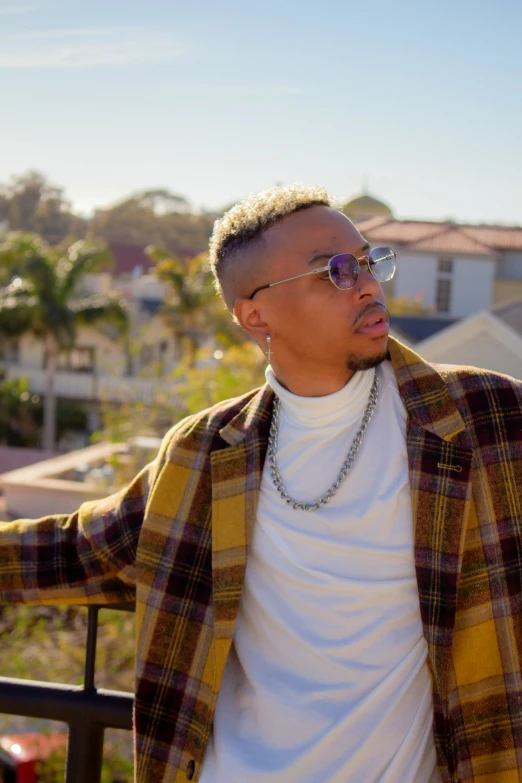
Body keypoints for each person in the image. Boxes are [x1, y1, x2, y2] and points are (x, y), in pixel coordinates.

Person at [1, 184, 521, 783]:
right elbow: (76, 550)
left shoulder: (487, 420)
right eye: (335, 271)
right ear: (256, 315)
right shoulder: (205, 455)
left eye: (368, 260)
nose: (369, 284)